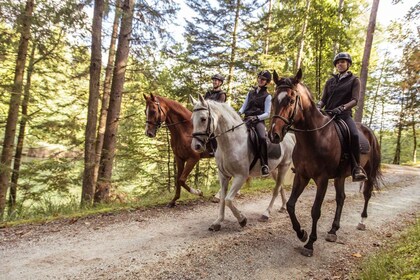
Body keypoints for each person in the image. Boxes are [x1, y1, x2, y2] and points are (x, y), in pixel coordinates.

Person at [317, 52, 368, 182]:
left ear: (348, 64)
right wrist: (317, 107)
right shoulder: (330, 81)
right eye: (338, 62)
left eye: (343, 62)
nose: (340, 64)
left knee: (354, 135)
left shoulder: (354, 80)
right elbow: (323, 99)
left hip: (344, 116)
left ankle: (356, 167)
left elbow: (355, 100)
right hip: (327, 114)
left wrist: (342, 108)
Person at [238, 70, 272, 176]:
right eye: (259, 78)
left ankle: (264, 164)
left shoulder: (268, 96)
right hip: (246, 119)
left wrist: (257, 117)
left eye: (263, 79)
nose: (260, 80)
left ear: (267, 82)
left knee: (262, 138)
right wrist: (238, 113)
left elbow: (267, 113)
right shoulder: (250, 93)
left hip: (258, 121)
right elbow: (244, 106)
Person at [204, 74, 227, 155]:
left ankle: (214, 148)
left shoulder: (222, 94)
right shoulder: (208, 93)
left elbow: (218, 108)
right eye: (213, 80)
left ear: (220, 83)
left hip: (216, 116)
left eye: (216, 81)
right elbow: (203, 104)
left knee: (211, 128)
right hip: (206, 115)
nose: (214, 82)